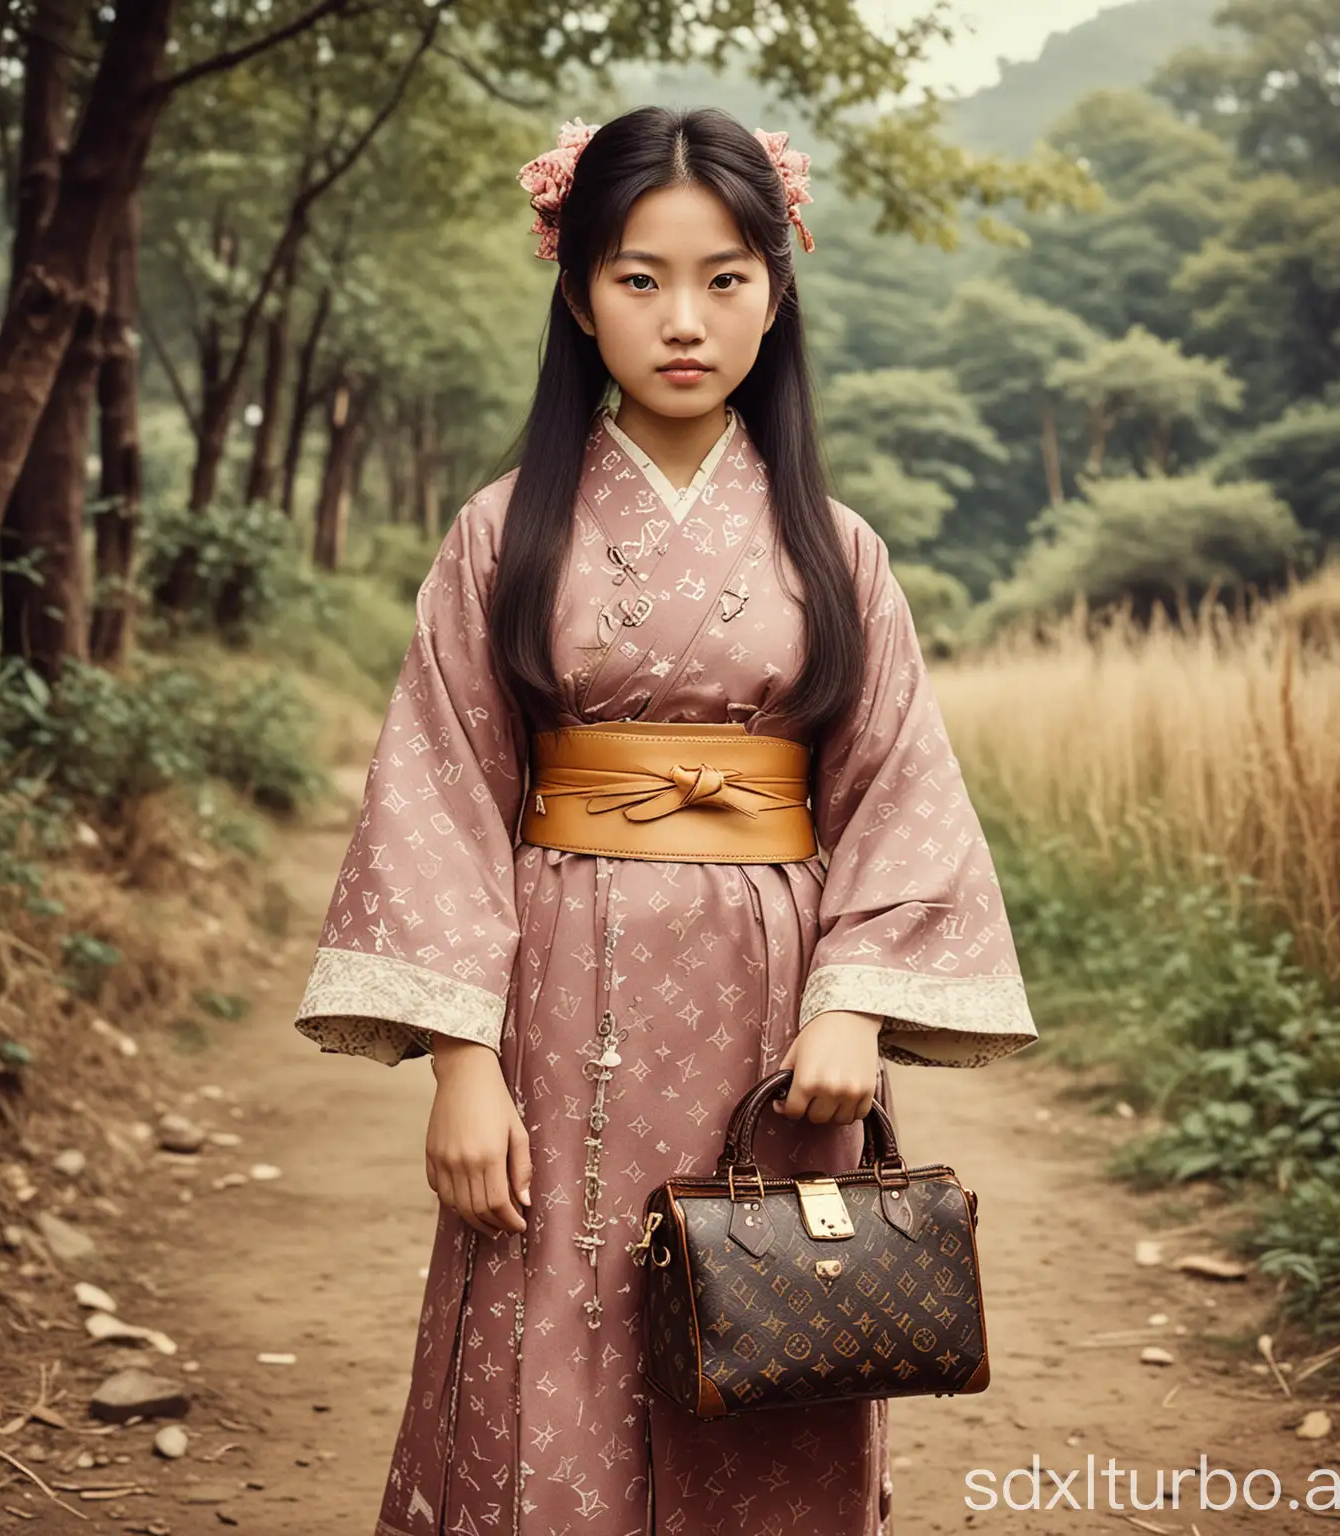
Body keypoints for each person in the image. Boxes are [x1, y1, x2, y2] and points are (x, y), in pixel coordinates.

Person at [293, 105, 1039, 1536]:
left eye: (726, 277)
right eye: (639, 278)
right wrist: (461, 1063)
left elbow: (899, 788)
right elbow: (440, 791)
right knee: (547, 1318)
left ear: (778, 290)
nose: (683, 319)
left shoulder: (840, 548)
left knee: (772, 1327)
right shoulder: (502, 532)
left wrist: (859, 1013)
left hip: (779, 1010)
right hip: (555, 997)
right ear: (577, 295)